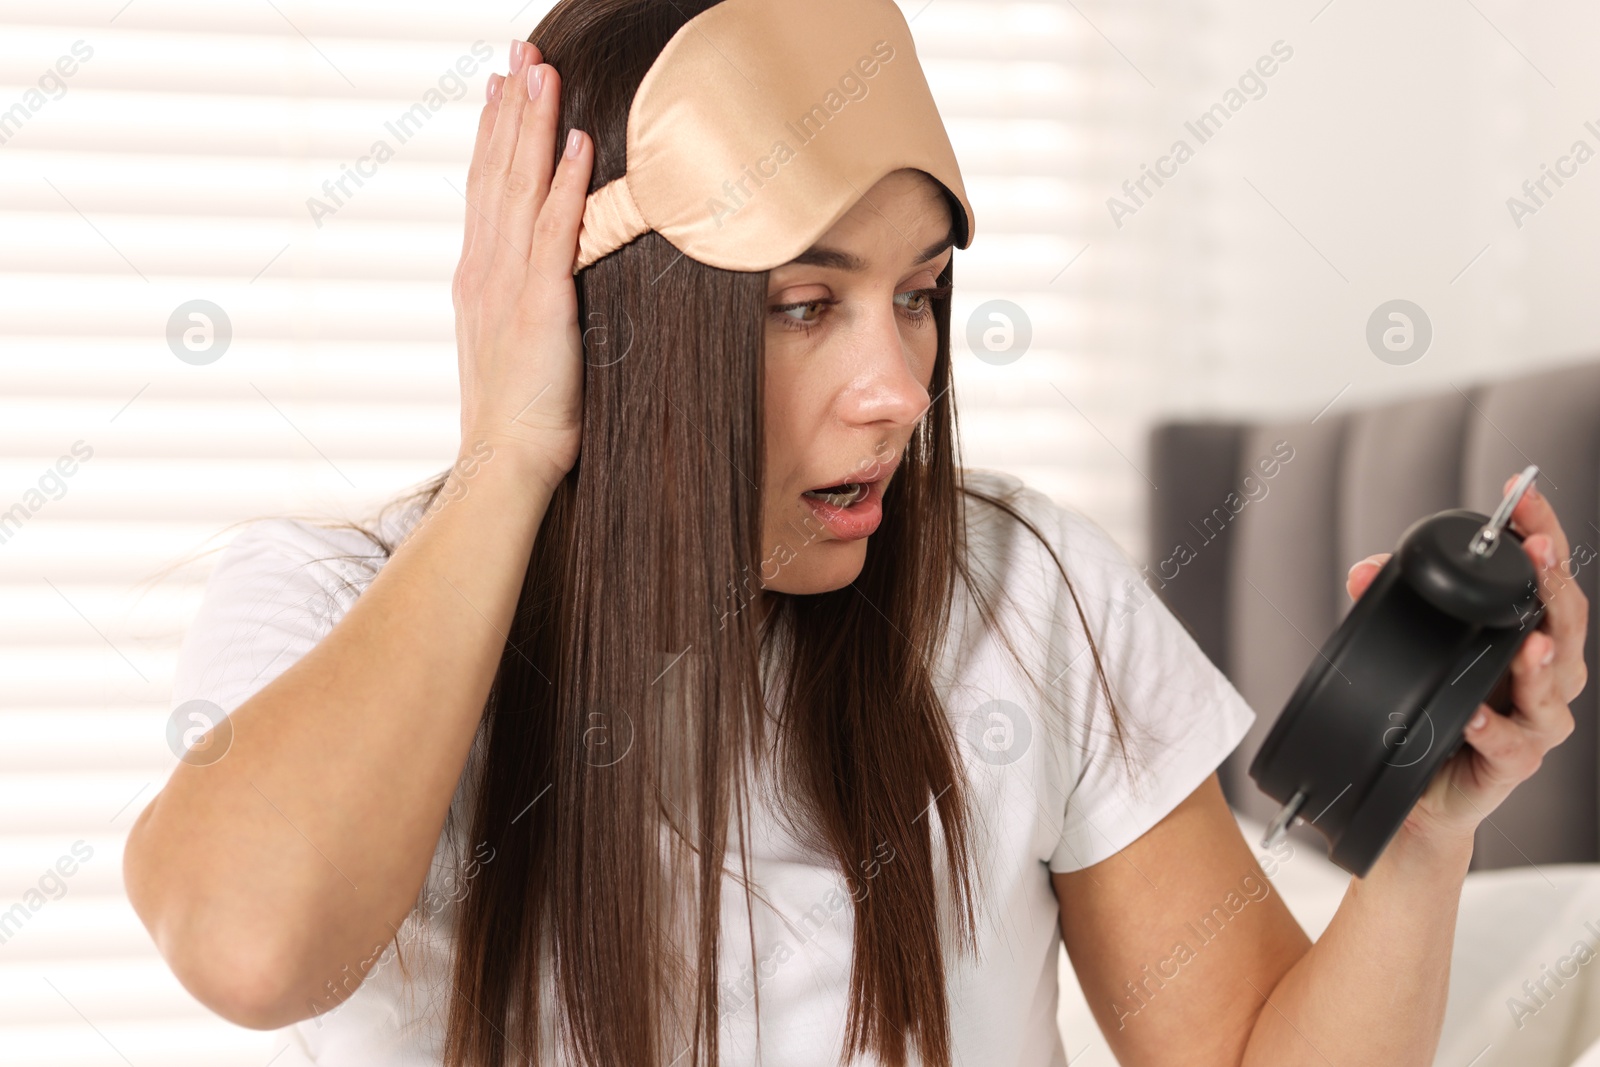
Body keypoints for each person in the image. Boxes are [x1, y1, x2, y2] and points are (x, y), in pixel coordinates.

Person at [122, 1, 1589, 1064]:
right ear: (595, 318)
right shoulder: (339, 604)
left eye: (921, 292)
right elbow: (251, 952)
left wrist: (1427, 831)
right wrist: (511, 453)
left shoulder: (1019, 588)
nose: (898, 390)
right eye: (803, 306)